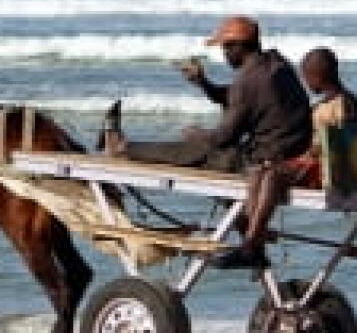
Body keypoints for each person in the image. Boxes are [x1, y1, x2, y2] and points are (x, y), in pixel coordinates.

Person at [101, 15, 312, 269]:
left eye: (225, 48)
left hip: (267, 159)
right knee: (204, 148)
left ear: (238, 47)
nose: (224, 55)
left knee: (195, 150)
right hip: (289, 150)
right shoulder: (276, 64)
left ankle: (123, 147)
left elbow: (223, 138)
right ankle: (252, 241)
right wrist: (203, 83)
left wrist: (198, 135)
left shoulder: (248, 79)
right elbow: (241, 99)